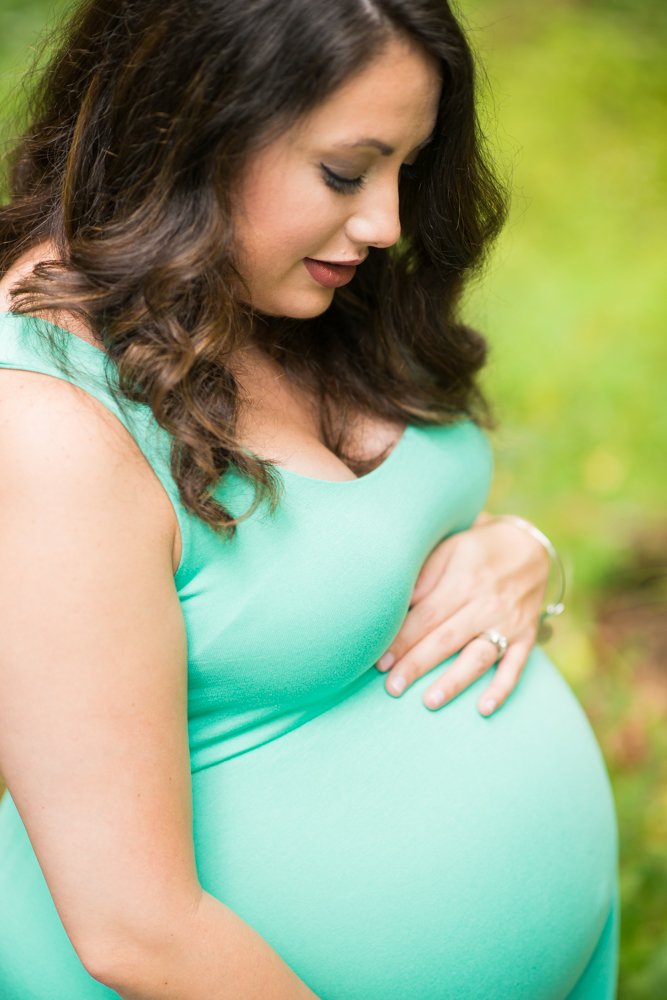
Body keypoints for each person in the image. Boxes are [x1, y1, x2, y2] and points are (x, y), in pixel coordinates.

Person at [0, 1, 617, 997]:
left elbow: (360, 541)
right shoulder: (49, 424)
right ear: (196, 122)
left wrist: (521, 550)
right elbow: (134, 926)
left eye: (406, 169)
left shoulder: (287, 288)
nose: (385, 224)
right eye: (344, 171)